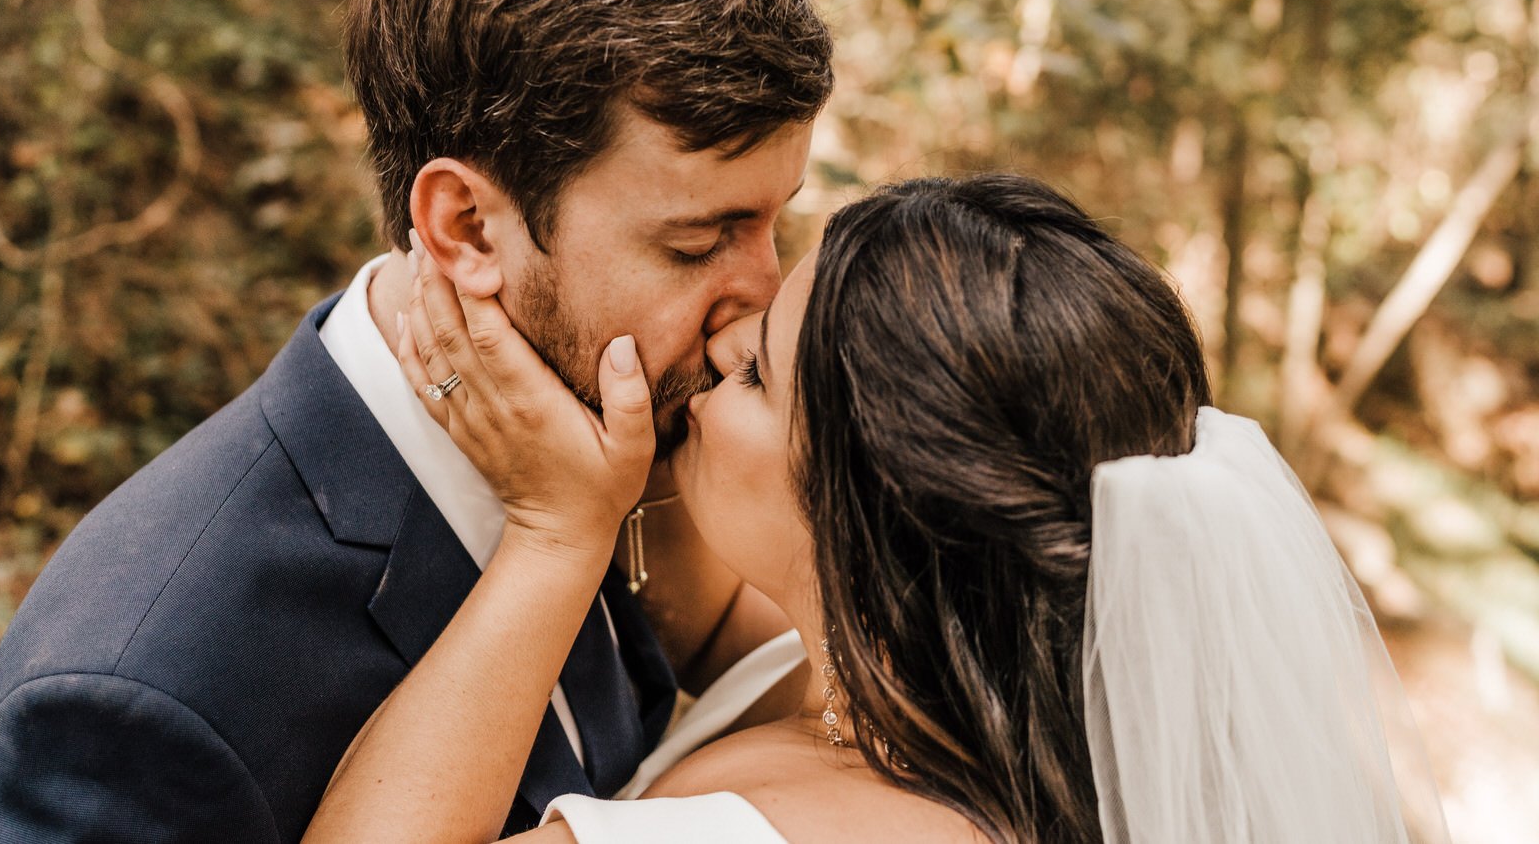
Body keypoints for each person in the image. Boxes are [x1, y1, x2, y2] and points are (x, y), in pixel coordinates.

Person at [0, 0, 832, 842]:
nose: (756, 299)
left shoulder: (626, 422)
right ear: (464, 226)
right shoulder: (130, 696)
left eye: (771, 226)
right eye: (700, 241)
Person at [307, 173, 1449, 843]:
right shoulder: (978, 707)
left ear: (873, 508)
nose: (716, 340)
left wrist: (554, 538)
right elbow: (715, 631)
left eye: (753, 372)